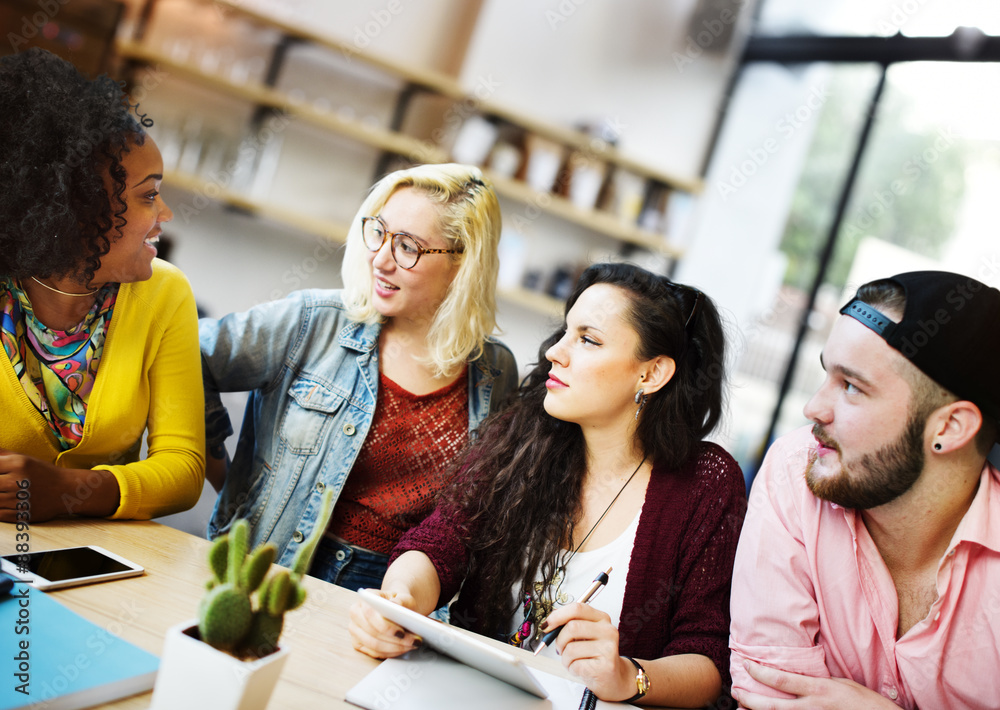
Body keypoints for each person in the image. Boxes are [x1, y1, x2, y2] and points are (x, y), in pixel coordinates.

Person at [350, 262, 747, 707]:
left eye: (588, 340)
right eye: (565, 331)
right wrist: (399, 600)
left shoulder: (707, 483)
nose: (555, 352)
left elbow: (708, 660)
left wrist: (628, 676)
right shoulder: (529, 428)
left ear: (651, 374)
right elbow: (440, 544)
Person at [200, 163, 517, 590]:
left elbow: (472, 517)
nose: (381, 259)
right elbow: (187, 356)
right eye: (378, 232)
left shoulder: (494, 372)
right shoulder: (312, 321)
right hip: (266, 570)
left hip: (387, 597)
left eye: (408, 247)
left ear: (462, 263)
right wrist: (227, 479)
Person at [729, 271, 1000, 709]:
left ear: (949, 427)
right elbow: (770, 698)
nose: (813, 407)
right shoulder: (796, 470)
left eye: (852, 387)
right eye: (827, 376)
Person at [0, 48, 204, 522]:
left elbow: (184, 468)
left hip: (86, 561)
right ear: (79, 208)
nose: (165, 215)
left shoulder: (164, 294)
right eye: (148, 195)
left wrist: (68, 489)